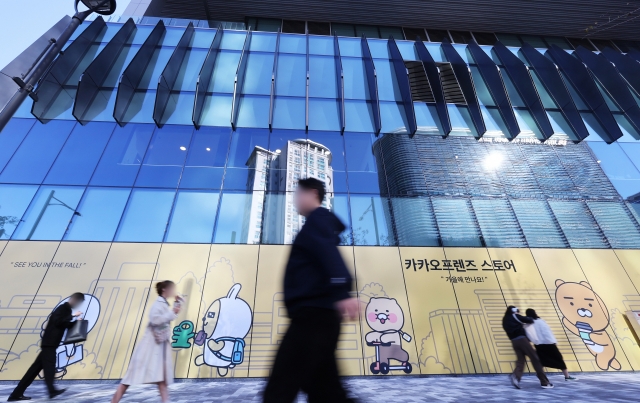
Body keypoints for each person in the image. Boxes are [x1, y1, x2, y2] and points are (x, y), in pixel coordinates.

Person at [263, 178, 360, 403]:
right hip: (318, 316)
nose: (295, 199)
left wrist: (341, 291)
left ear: (312, 193)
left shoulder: (318, 219)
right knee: (326, 392)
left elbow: (329, 253)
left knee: (280, 388)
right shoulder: (318, 222)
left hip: (313, 317)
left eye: (298, 194)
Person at [111, 281, 183, 403]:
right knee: (129, 378)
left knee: (162, 379)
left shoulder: (164, 304)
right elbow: (155, 319)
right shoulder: (158, 304)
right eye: (171, 288)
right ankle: (114, 401)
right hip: (149, 347)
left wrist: (177, 303)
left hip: (158, 347)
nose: (173, 291)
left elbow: (169, 316)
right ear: (164, 289)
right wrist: (172, 312)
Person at [8, 293, 85, 401]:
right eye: (78, 302)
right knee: (49, 367)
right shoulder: (62, 308)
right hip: (49, 343)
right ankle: (51, 390)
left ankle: (16, 394)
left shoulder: (66, 310)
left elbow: (64, 324)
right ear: (74, 300)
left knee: (33, 371)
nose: (78, 304)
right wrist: (73, 316)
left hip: (50, 344)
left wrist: (76, 322)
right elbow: (57, 321)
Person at [502, 305, 553, 389]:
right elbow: (528, 320)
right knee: (535, 358)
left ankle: (516, 377)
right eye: (517, 310)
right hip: (522, 340)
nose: (518, 312)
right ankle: (544, 382)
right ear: (514, 310)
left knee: (520, 361)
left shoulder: (505, 320)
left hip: (514, 342)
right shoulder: (514, 316)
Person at [525, 308, 578, 381]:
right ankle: (567, 376)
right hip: (549, 343)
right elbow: (547, 332)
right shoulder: (540, 322)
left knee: (541, 361)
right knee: (559, 359)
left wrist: (535, 341)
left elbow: (529, 335)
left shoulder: (527, 324)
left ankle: (542, 376)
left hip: (538, 345)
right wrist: (553, 341)